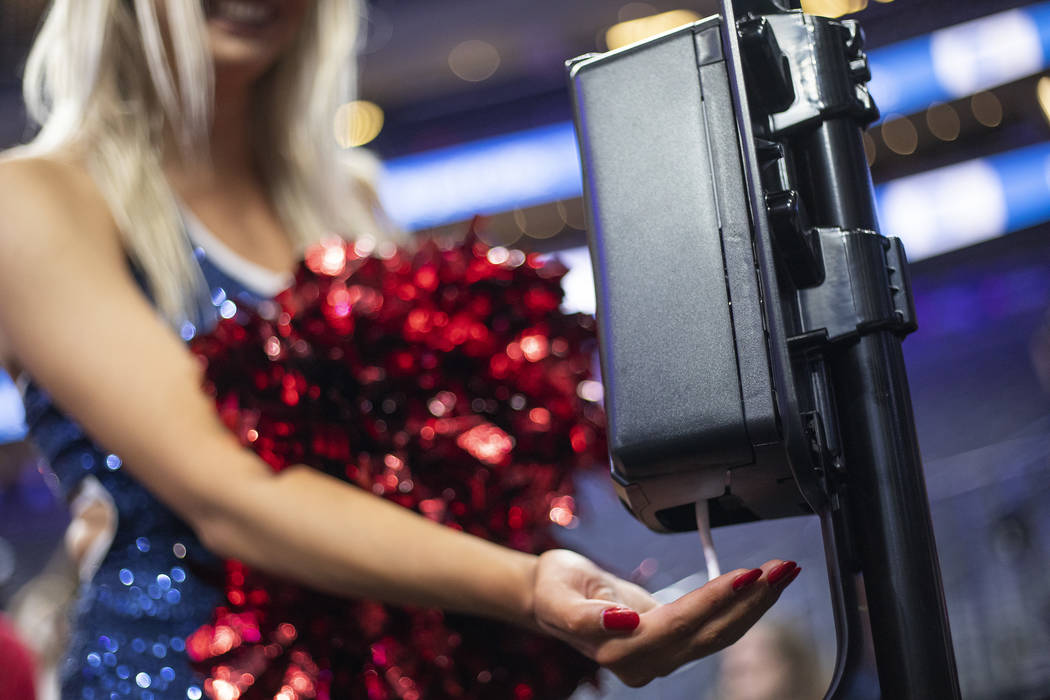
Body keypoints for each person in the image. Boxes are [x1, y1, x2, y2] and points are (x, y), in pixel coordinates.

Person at [0, 0, 799, 697]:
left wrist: (568, 581)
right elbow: (233, 497)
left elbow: (433, 475)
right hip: (184, 678)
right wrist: (528, 588)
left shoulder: (350, 196)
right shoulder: (34, 200)